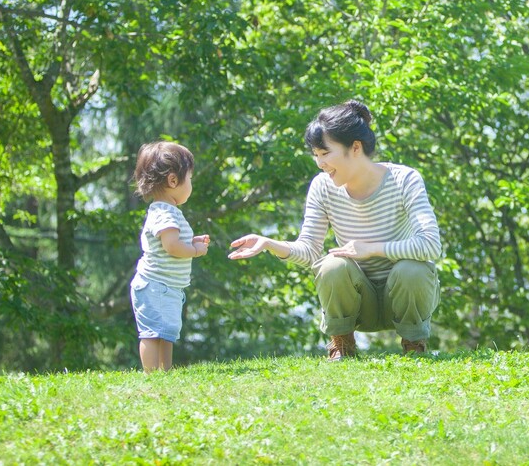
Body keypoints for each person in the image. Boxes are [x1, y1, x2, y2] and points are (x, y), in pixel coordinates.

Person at [228, 100, 442, 360]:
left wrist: (370, 249)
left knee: (413, 268)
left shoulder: (405, 179)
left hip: (403, 296)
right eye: (315, 155)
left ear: (355, 147)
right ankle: (342, 346)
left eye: (325, 153)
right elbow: (309, 251)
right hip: (358, 301)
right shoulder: (323, 187)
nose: (319, 163)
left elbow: (431, 244)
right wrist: (269, 243)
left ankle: (413, 344)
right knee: (331, 265)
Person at [128, 141, 211, 372]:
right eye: (190, 178)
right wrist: (194, 251)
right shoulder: (165, 213)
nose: (191, 184)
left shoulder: (167, 212)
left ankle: (165, 372)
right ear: (173, 180)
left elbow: (174, 242)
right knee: (152, 333)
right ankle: (152, 374)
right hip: (155, 285)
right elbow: (172, 247)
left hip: (166, 286)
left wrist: (192, 242)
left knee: (166, 332)